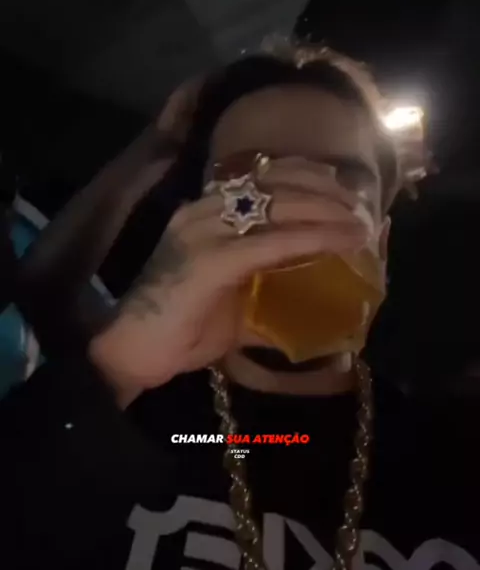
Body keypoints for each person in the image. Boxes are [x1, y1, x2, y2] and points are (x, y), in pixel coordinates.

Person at [1, 44, 478, 570]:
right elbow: (44, 289)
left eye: (341, 179)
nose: (294, 207)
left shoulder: (452, 462)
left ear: (381, 244)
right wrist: (156, 147)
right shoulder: (127, 397)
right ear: (197, 224)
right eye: (249, 181)